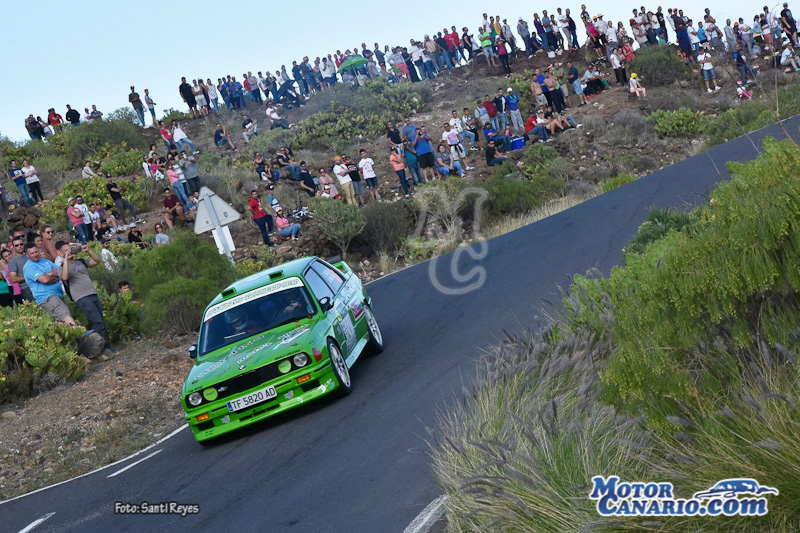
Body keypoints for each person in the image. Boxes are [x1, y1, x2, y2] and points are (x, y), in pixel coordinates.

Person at [56, 241, 114, 350]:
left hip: (92, 293)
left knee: (100, 321)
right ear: (60, 253)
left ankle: (103, 346)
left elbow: (97, 260)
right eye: (66, 250)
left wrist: (88, 251)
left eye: (70, 249)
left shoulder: (80, 261)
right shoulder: (61, 267)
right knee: (97, 322)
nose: (70, 251)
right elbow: (64, 277)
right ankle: (104, 348)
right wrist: (66, 259)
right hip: (81, 297)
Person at [7, 236, 34, 302]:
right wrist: (30, 276)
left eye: (21, 244)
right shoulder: (13, 261)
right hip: (26, 288)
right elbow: (14, 279)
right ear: (13, 247)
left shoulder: (30, 255)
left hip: (38, 284)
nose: (20, 246)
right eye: (17, 245)